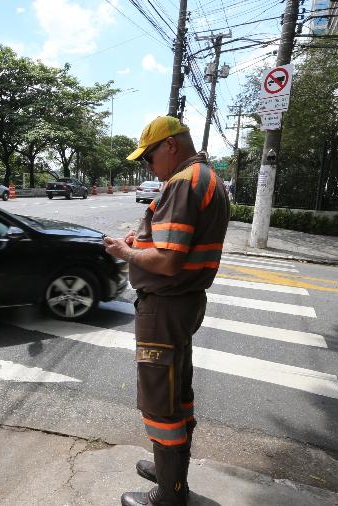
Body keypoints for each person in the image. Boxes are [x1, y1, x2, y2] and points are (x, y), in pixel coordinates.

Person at [103, 116, 229, 506]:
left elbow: (170, 260)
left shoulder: (183, 182)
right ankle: (169, 469)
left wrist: (126, 252)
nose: (148, 167)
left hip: (166, 306)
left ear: (170, 146)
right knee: (177, 389)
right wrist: (141, 239)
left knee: (160, 400)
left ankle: (170, 493)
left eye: (149, 157)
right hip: (183, 304)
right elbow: (171, 241)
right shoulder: (207, 178)